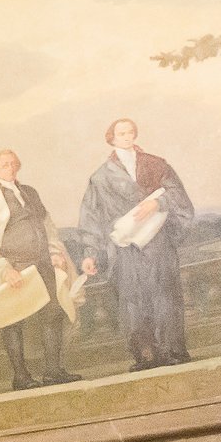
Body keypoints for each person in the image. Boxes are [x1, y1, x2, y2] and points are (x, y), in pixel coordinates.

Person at [79, 117, 194, 371]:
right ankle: (145, 354)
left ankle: (173, 350)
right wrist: (90, 252)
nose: (127, 136)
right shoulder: (100, 178)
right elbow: (91, 216)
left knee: (166, 295)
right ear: (112, 138)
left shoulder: (155, 164)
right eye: (121, 133)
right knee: (133, 300)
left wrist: (158, 203)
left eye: (131, 132)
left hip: (157, 239)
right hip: (126, 246)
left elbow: (177, 193)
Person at [0, 150, 81, 389]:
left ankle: (53, 371)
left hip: (42, 264)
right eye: (5, 165)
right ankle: (21, 376)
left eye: (14, 164)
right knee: (13, 320)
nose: (11, 168)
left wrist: (55, 252)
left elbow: (47, 226)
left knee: (53, 313)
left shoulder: (30, 193)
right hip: (13, 267)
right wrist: (3, 269)